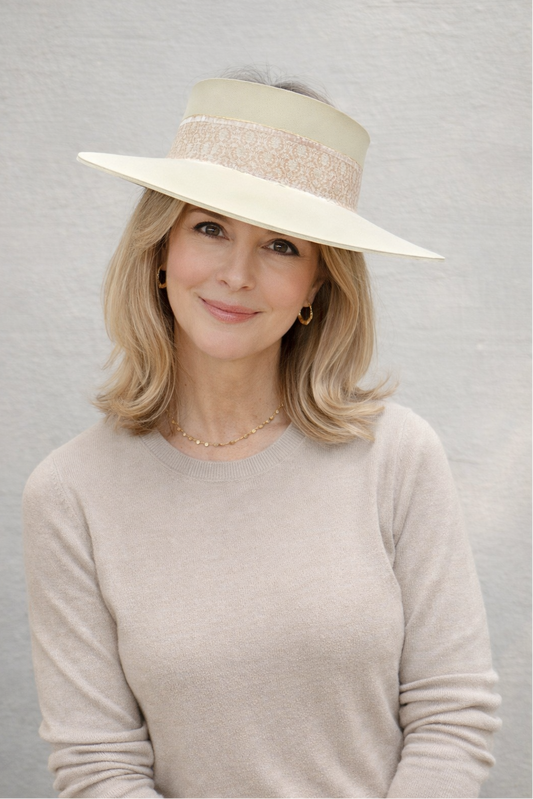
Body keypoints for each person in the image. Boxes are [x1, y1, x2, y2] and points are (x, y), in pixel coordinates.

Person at [22, 69, 501, 799]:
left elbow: (451, 714)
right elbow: (99, 767)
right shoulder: (70, 493)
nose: (236, 274)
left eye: (280, 244)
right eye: (209, 228)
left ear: (316, 283)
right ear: (160, 251)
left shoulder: (396, 455)